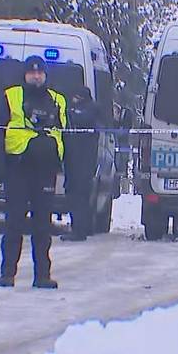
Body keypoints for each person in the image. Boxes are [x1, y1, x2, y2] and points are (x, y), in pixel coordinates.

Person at [0, 57, 67, 288]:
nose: (36, 76)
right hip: (18, 168)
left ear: (46, 75)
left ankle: (42, 275)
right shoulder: (11, 96)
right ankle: (7, 274)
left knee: (42, 225)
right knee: (14, 222)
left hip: (45, 171)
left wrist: (67, 169)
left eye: (40, 73)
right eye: (31, 73)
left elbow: (68, 134)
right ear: (24, 75)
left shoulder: (58, 100)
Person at [61, 86, 100, 242]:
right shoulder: (85, 110)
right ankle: (84, 227)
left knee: (78, 196)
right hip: (78, 160)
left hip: (81, 161)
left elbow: (82, 119)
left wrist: (69, 113)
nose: (74, 100)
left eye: (76, 97)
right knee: (80, 195)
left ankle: (79, 230)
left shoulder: (89, 110)